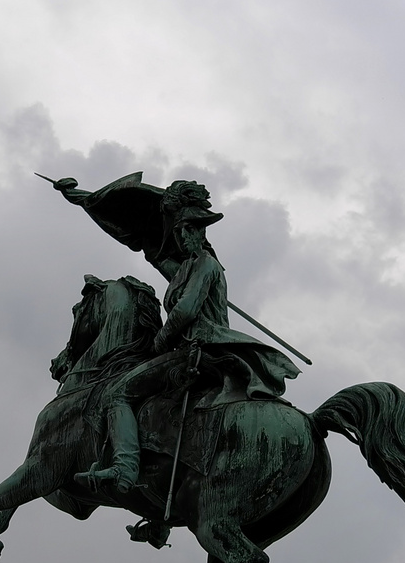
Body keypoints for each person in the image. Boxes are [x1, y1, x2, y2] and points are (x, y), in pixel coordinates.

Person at [69, 179, 299, 495]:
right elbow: (152, 249)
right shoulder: (187, 267)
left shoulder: (205, 264)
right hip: (191, 349)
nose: (183, 237)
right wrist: (88, 201)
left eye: (189, 231)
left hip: (201, 347)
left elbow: (186, 311)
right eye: (180, 231)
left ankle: (124, 469)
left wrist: (162, 338)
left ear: (198, 231)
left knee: (117, 395)